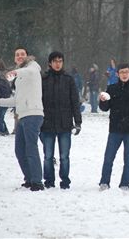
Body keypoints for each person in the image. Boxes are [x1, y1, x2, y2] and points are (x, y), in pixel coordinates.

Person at [0, 47, 45, 191]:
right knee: (19, 150)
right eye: (17, 55)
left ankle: (37, 181)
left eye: (22, 54)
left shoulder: (33, 67)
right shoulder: (19, 77)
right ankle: (29, 178)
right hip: (22, 115)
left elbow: (29, 71)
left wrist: (14, 72)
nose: (20, 56)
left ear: (27, 56)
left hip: (33, 113)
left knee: (31, 148)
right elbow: (15, 100)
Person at [40, 51, 82, 190]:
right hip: (47, 124)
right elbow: (38, 101)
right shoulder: (43, 79)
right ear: (50, 63)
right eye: (55, 61)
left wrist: (78, 121)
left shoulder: (68, 79)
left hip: (65, 124)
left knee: (64, 156)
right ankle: (49, 181)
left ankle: (65, 181)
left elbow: (75, 101)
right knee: (48, 156)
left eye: (60, 61)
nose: (58, 64)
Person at [98, 63, 129, 191]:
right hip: (115, 130)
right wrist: (102, 101)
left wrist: (127, 121)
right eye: (121, 72)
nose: (124, 74)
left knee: (128, 159)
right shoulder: (111, 89)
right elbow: (105, 108)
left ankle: (125, 184)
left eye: (126, 72)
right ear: (117, 74)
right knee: (108, 158)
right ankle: (104, 182)